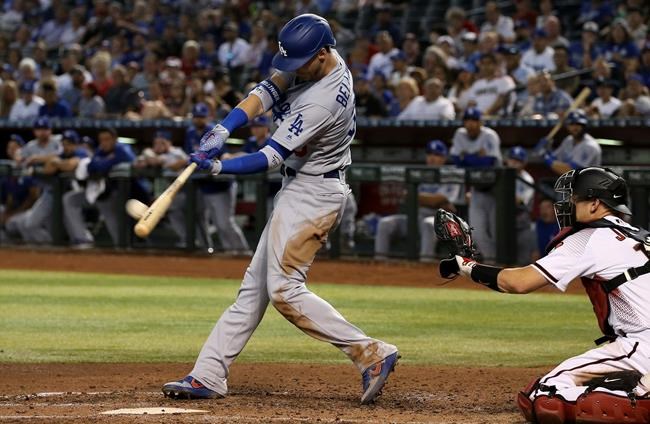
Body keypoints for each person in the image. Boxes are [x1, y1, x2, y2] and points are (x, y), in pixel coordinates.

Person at [162, 13, 399, 404]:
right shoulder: (314, 63)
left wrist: (219, 166)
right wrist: (224, 127)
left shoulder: (324, 100)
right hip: (301, 188)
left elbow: (270, 157)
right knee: (253, 290)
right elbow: (269, 89)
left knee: (284, 289)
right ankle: (208, 374)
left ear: (323, 53)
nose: (293, 68)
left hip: (314, 194)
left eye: (300, 61)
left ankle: (371, 352)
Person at [438, 167, 650, 424]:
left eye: (574, 198)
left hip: (642, 346)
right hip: (641, 345)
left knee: (545, 395)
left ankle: (641, 396)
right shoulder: (638, 235)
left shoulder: (589, 237)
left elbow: (518, 282)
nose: (567, 204)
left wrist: (466, 266)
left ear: (595, 204)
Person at [375, 140, 461, 262]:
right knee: (385, 223)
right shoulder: (420, 173)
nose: (432, 158)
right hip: (416, 217)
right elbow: (408, 196)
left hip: (441, 221)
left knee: (428, 223)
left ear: (444, 158)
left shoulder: (451, 174)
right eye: (430, 154)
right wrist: (433, 200)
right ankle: (379, 262)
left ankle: (425, 263)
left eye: (436, 154)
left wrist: (420, 198)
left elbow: (439, 199)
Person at [450, 107, 502, 261]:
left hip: (496, 190)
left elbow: (488, 162)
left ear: (481, 123)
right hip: (477, 190)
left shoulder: (489, 135)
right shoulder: (460, 134)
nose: (470, 124)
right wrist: (475, 157)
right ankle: (492, 262)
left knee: (496, 232)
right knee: (478, 233)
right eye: (467, 121)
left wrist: (467, 157)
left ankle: (502, 263)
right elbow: (456, 160)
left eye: (474, 121)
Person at [5, 117, 62, 243]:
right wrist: (19, 157)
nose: (42, 132)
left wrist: (37, 158)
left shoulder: (58, 141)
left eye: (45, 129)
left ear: (50, 130)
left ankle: (54, 247)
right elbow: (19, 155)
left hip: (61, 188)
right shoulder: (31, 146)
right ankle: (51, 247)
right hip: (46, 190)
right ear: (34, 131)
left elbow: (61, 156)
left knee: (47, 224)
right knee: (42, 224)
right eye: (39, 129)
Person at [536, 109, 602, 175]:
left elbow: (571, 171)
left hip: (588, 183)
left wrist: (545, 157)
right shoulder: (568, 140)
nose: (575, 127)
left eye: (579, 124)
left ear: (584, 126)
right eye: (572, 124)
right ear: (567, 126)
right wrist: (547, 150)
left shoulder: (590, 146)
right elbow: (556, 159)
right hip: (572, 183)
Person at [505, 146, 536, 265]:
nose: (514, 163)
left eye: (518, 161)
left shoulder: (527, 179)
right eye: (512, 159)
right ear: (507, 160)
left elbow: (520, 201)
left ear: (524, 163)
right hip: (505, 222)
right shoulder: (502, 175)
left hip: (521, 220)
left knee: (522, 260)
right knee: (504, 258)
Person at [464, 52, 515, 117]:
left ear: (495, 65)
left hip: (498, 117)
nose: (486, 66)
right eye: (483, 64)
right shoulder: (477, 84)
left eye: (489, 63)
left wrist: (486, 113)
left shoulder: (505, 80)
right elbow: (471, 103)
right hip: (478, 117)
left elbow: (501, 101)